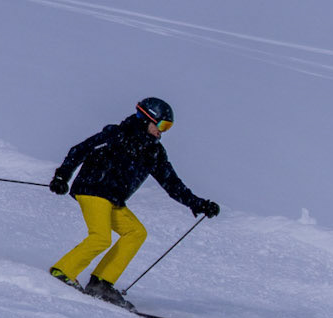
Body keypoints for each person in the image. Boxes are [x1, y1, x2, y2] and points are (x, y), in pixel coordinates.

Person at [48, 96, 219, 307]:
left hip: (113, 199)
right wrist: (62, 177)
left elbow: (172, 183)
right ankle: (63, 271)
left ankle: (101, 283)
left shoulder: (154, 152)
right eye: (162, 125)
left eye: (167, 127)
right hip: (92, 188)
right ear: (146, 119)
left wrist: (197, 203)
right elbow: (80, 149)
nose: (162, 132)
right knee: (101, 237)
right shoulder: (117, 134)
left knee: (136, 232)